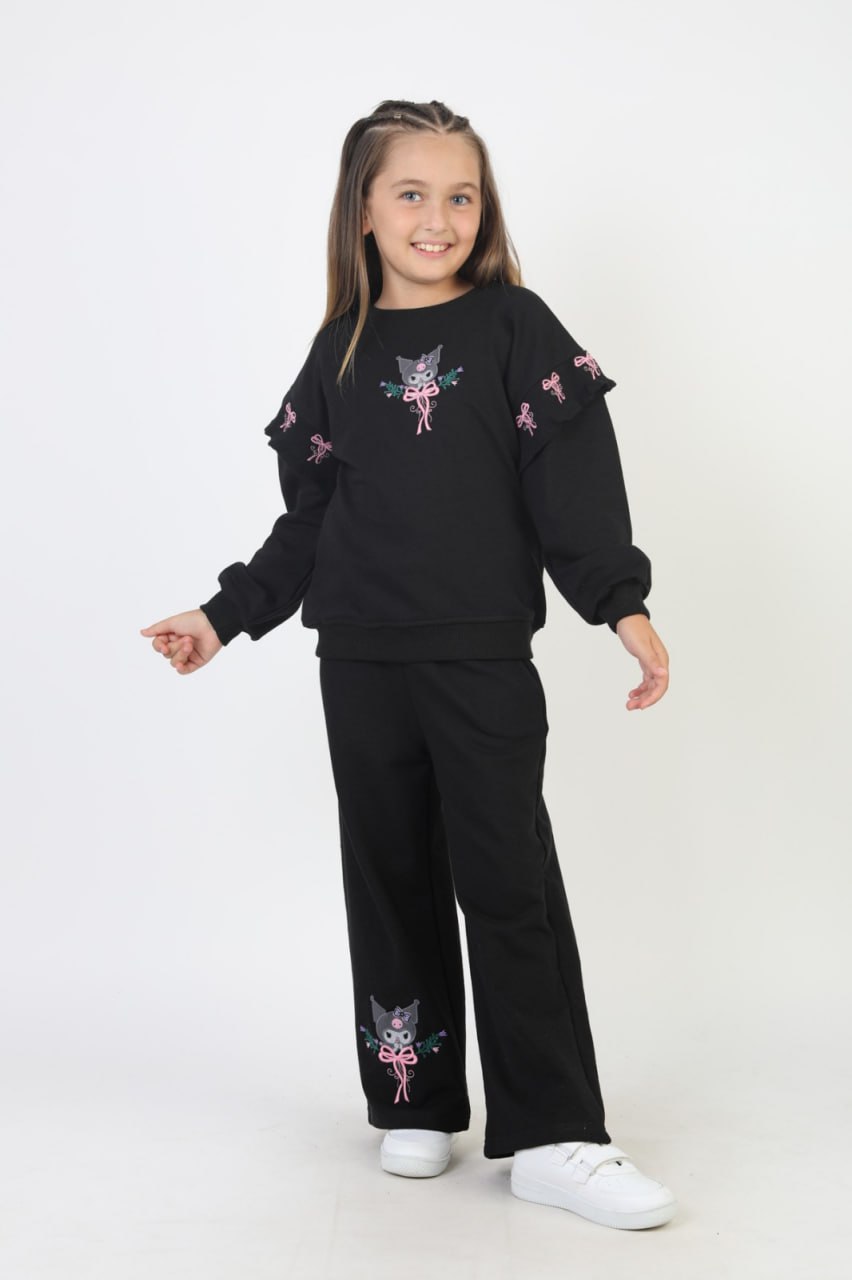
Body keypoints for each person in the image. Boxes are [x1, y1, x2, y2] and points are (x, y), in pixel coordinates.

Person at [140, 98, 675, 1231]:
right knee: (387, 879)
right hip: (360, 660)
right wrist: (224, 615)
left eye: (461, 195)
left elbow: (572, 479)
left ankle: (555, 1132)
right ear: (365, 211)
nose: (439, 217)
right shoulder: (337, 351)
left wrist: (619, 604)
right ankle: (414, 1095)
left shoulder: (515, 325)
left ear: (485, 209)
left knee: (508, 885)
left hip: (481, 659)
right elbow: (307, 520)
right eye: (413, 193)